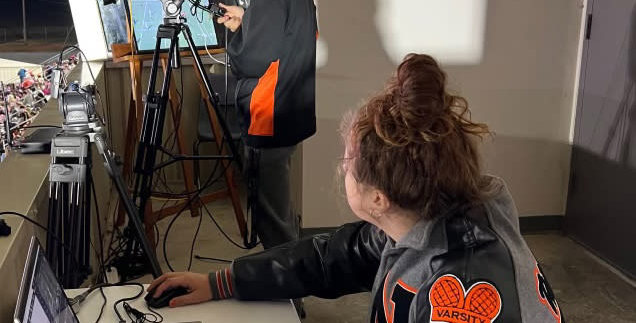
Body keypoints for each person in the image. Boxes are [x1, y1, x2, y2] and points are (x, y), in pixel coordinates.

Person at [147, 54, 564, 323]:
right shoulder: (429, 213)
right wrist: (221, 282)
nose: (342, 167)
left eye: (348, 162)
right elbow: (331, 259)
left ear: (379, 197)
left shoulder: (459, 300)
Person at [206, 0, 317, 248]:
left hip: (270, 111)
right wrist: (248, 18)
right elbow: (285, 36)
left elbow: (251, 61)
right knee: (280, 211)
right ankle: (288, 288)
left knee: (273, 222)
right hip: (290, 107)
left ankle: (286, 296)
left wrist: (238, 33)